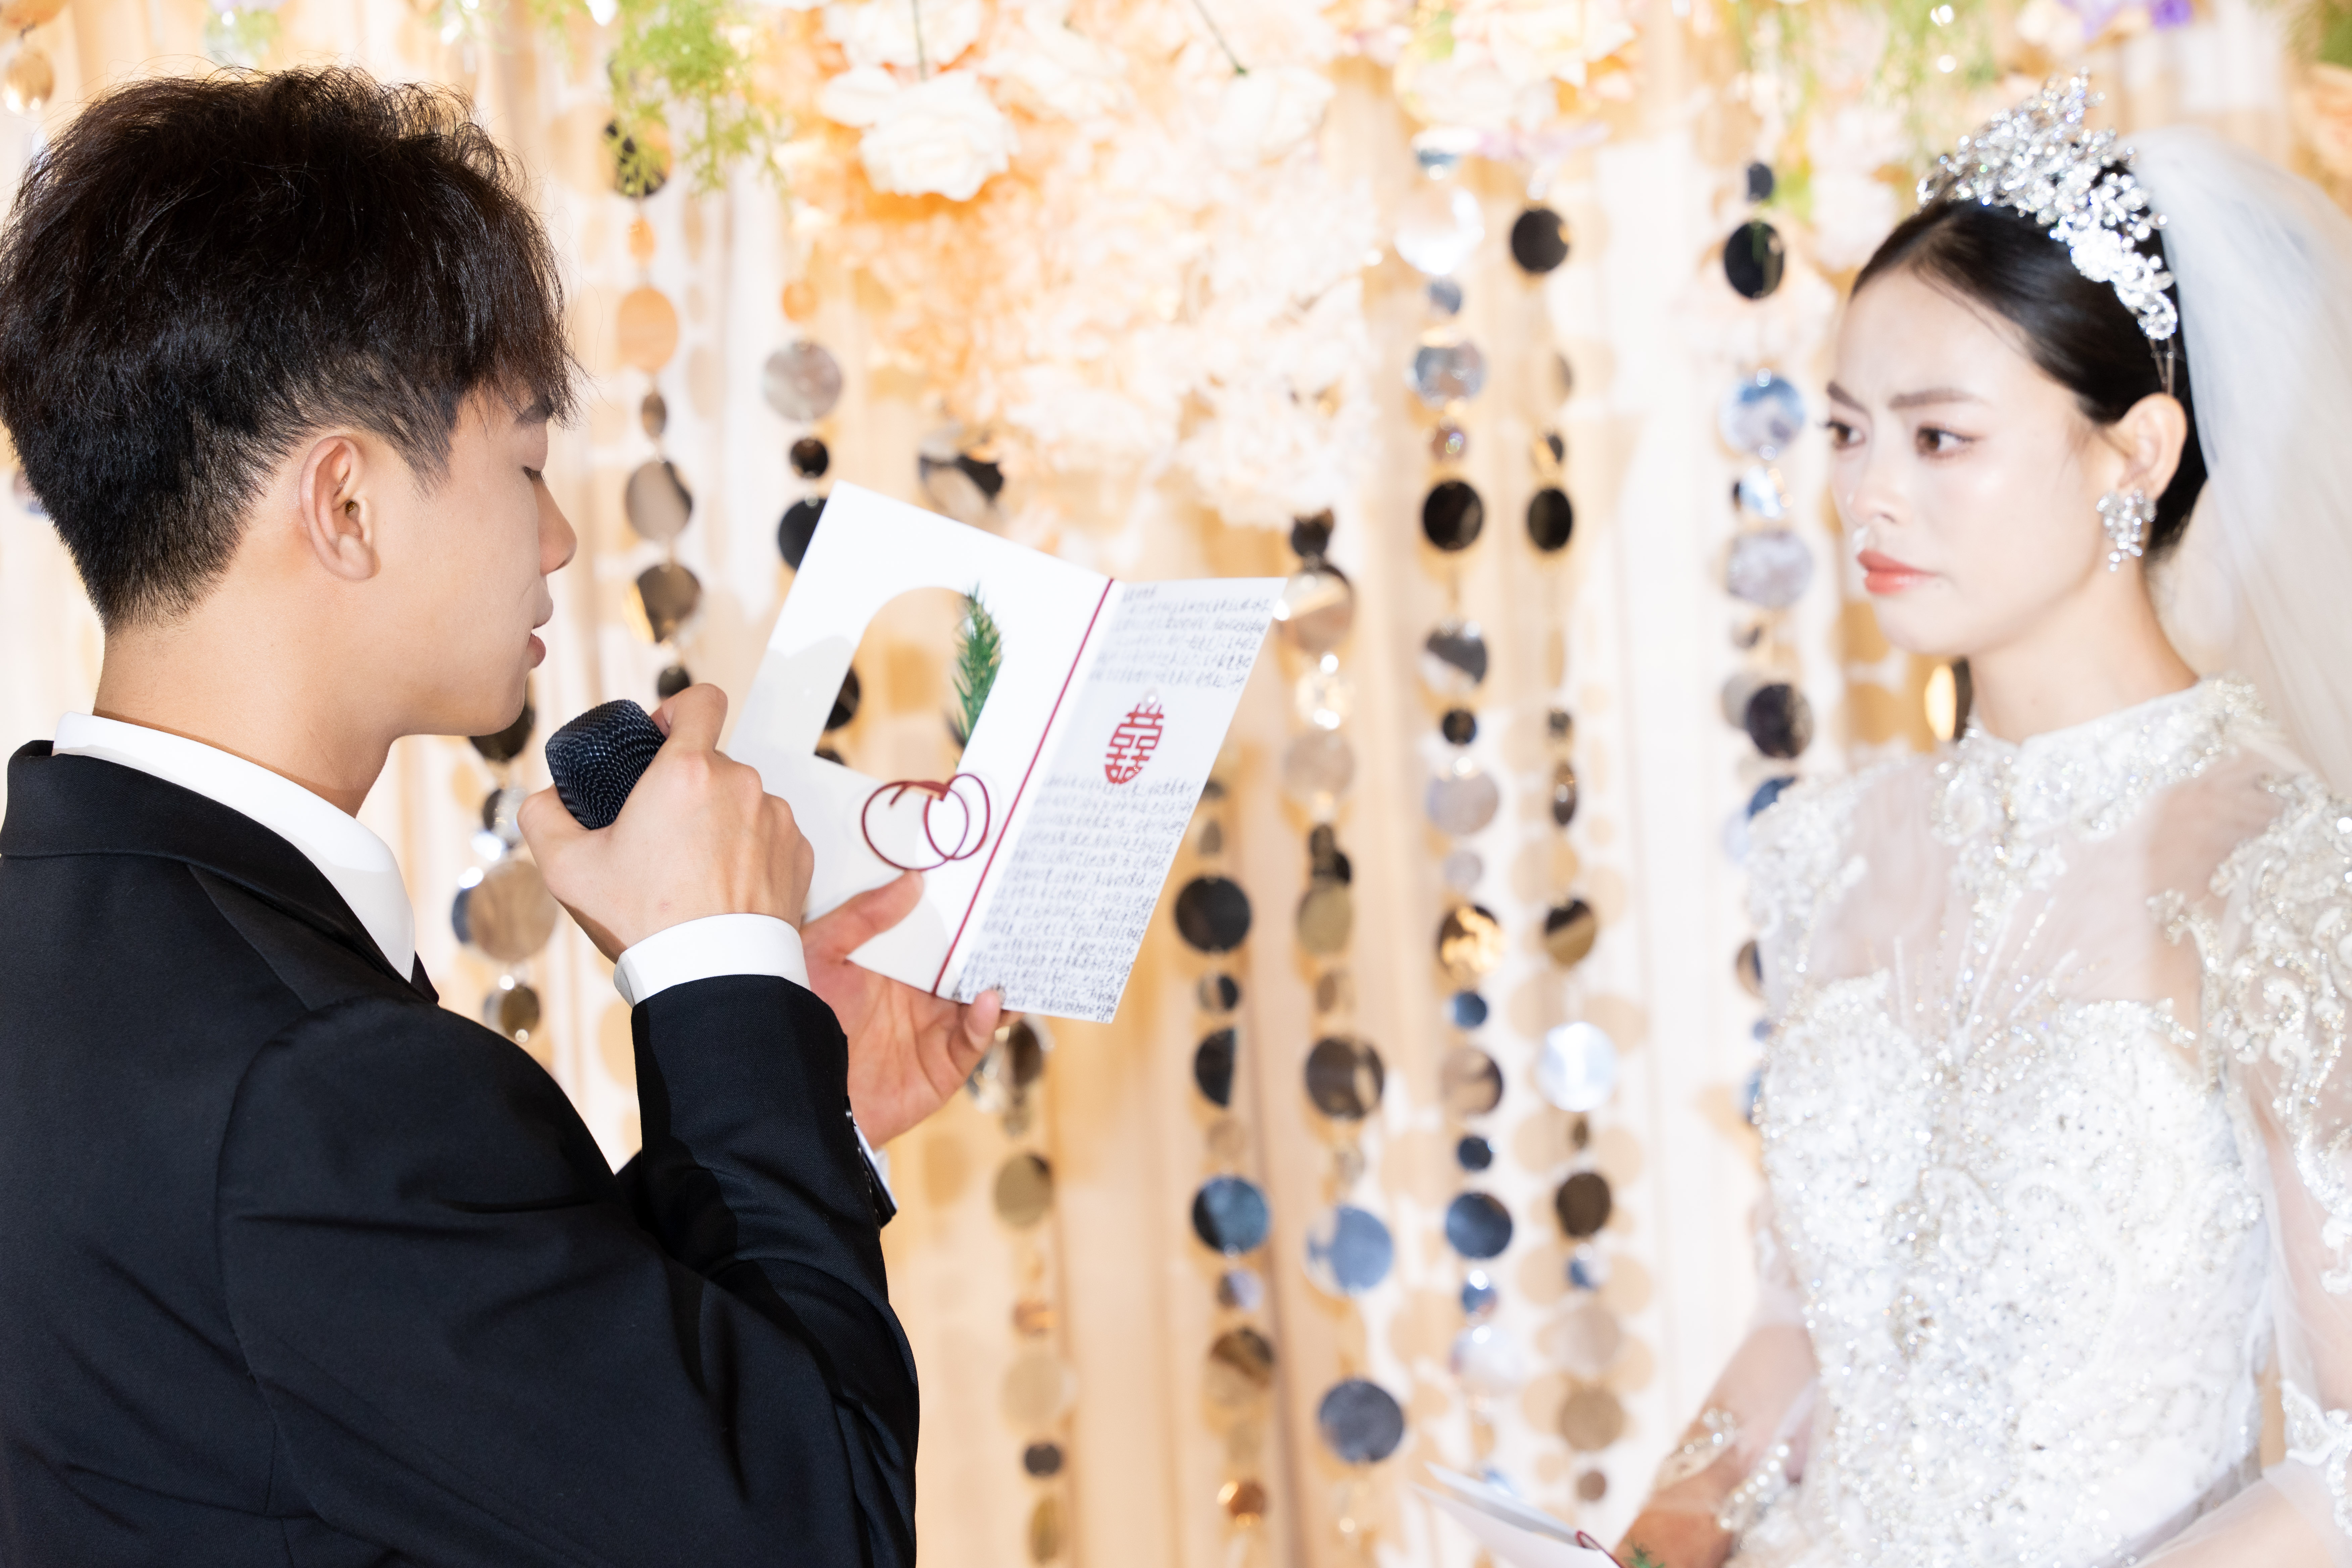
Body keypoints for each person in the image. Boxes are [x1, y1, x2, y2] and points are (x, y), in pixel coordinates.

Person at [0, 68, 998, 1565]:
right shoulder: (312, 1093)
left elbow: (418, 1394)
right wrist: (714, 966)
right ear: (344, 505)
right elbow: (823, 1531)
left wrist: (781, 1097)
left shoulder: (67, 936)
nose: (561, 537)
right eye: (527, 463)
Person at [1613, 79, 2352, 1566]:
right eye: (1846, 431)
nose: (1868, 496)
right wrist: (1651, 1542)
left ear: (2135, 453)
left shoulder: (2277, 868)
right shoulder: (1831, 851)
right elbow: (1801, 1324)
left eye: (1939, 438)